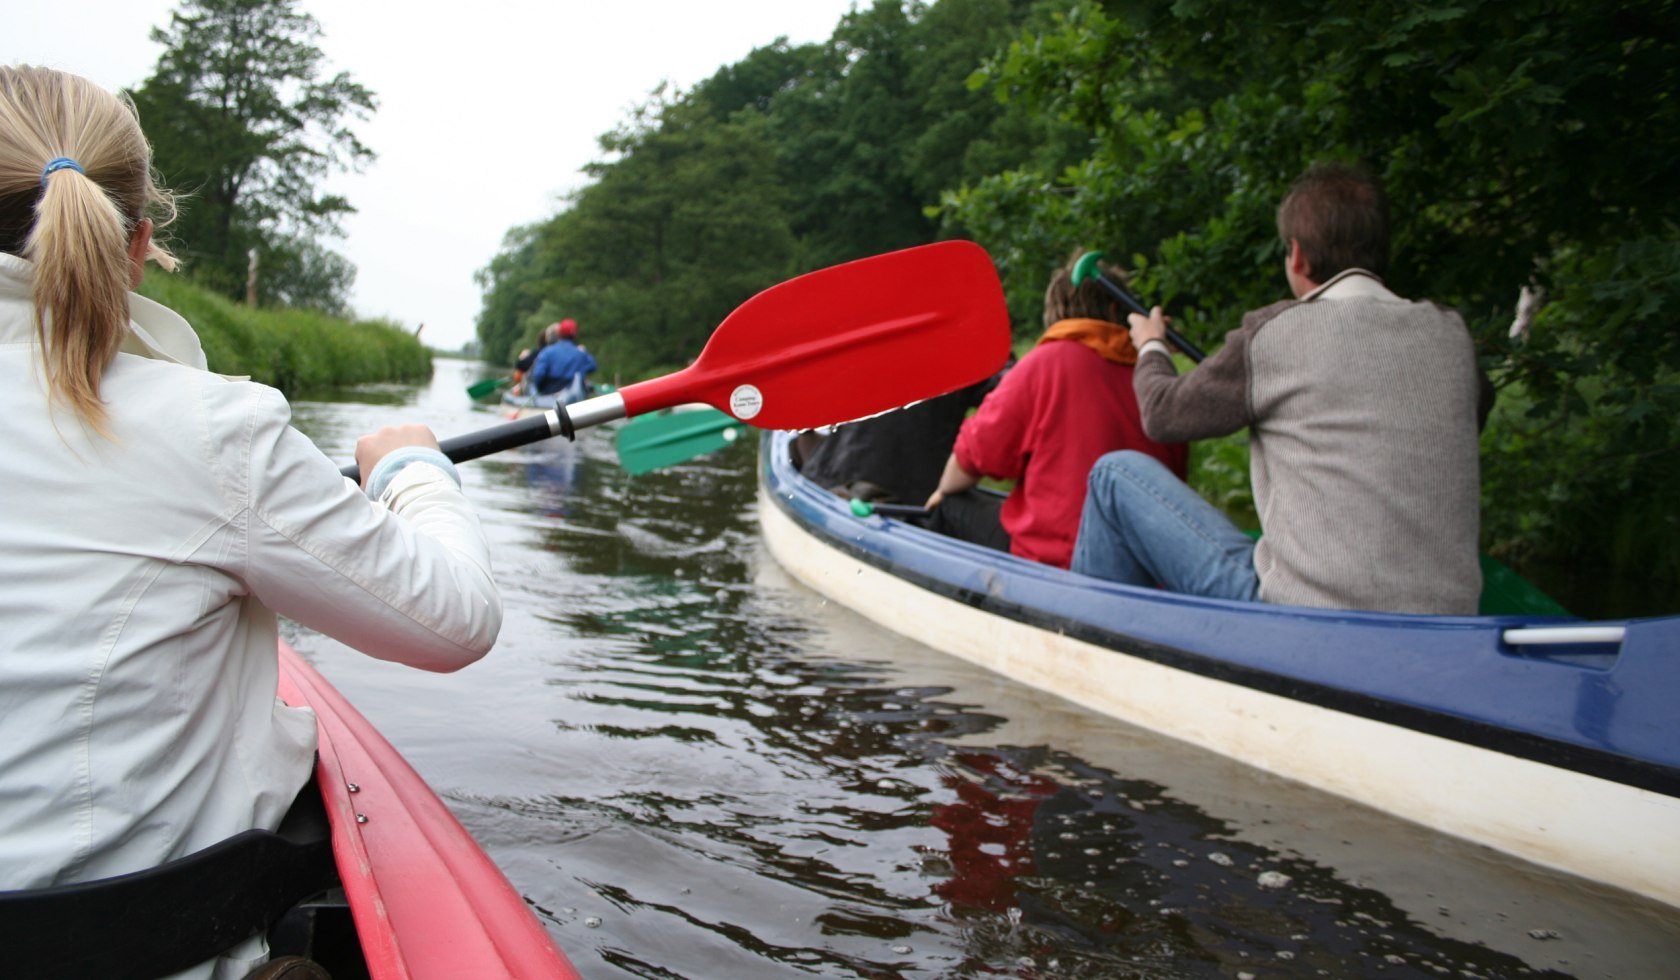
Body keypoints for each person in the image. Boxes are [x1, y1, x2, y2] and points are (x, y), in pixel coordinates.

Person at [0, 66, 502, 975]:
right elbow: (457, 622)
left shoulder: (219, 439)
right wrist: (412, 471)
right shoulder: (215, 429)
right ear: (140, 242)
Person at [1070, 162, 1491, 614]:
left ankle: (1088, 643)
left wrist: (1152, 345)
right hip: (1446, 619)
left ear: (1297, 256)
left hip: (1306, 615)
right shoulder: (1450, 334)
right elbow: (1474, 411)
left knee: (1114, 475)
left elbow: (1162, 413)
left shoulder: (1275, 332)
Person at [924, 256, 1189, 568]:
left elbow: (971, 458)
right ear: (1119, 310)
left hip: (1059, 560)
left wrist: (941, 492)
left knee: (949, 506)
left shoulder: (1046, 362)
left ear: (1057, 311)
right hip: (1146, 563)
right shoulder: (1156, 373)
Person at [530, 316, 596, 401]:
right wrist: (584, 352)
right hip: (574, 397)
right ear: (575, 335)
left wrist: (540, 390)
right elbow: (593, 366)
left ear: (559, 334)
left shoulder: (546, 352)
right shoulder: (580, 353)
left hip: (550, 394)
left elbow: (539, 375)